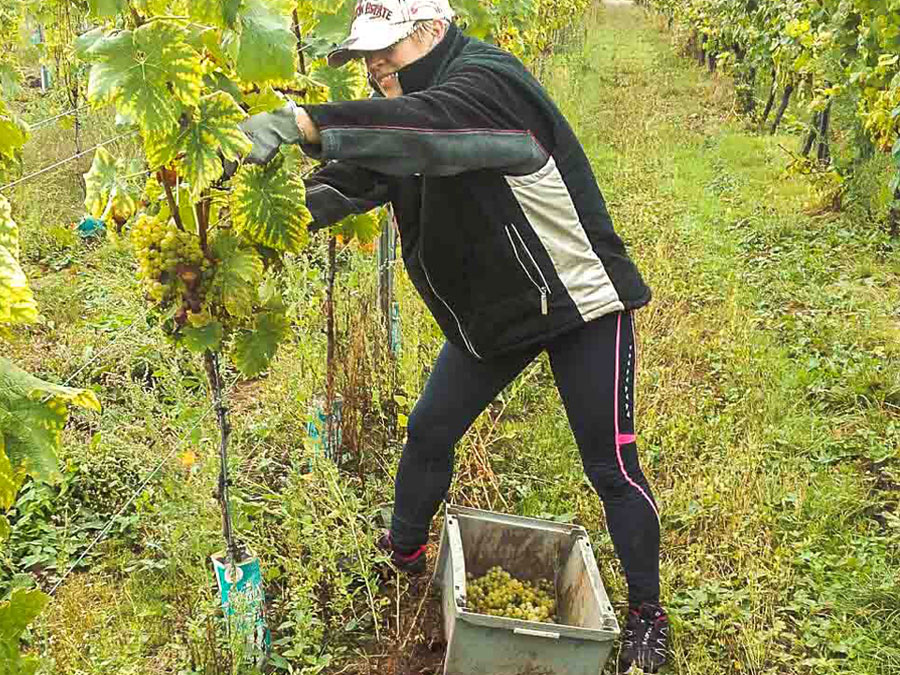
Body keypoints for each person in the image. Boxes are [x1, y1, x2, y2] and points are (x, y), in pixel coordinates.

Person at [239, 0, 668, 671]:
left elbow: (430, 130)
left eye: (386, 49)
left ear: (433, 31)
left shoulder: (486, 84)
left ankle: (648, 615)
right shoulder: (409, 106)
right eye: (364, 55)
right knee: (431, 427)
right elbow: (357, 176)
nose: (373, 65)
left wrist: (305, 122)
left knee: (610, 466)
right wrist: (256, 227)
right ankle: (405, 554)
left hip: (579, 301)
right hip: (495, 314)